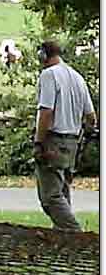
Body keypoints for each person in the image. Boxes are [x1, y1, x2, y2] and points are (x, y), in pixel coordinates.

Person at [33, 41, 96, 231]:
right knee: (62, 192)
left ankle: (75, 235)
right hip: (72, 142)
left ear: (43, 55)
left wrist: (39, 142)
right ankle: (63, 240)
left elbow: (46, 112)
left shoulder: (48, 75)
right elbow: (91, 117)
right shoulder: (77, 77)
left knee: (50, 197)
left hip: (53, 140)